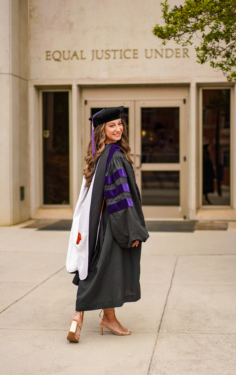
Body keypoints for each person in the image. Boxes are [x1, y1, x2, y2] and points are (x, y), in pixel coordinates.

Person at [66, 106, 149, 342]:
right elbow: (120, 199)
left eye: (120, 124)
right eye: (112, 125)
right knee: (109, 269)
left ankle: (88, 317)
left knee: (96, 266)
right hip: (114, 224)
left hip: (99, 223)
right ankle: (94, 315)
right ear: (102, 130)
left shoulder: (102, 154)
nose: (118, 129)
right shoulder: (115, 157)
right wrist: (131, 230)